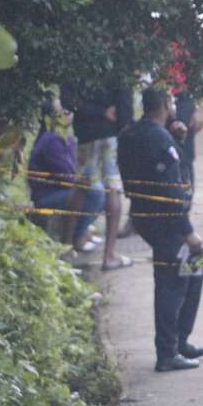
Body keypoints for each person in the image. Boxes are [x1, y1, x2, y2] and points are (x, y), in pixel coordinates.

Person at [118, 87, 203, 372]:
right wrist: (188, 231)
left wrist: (177, 138)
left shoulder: (131, 133)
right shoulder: (158, 137)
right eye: (171, 102)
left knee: (195, 270)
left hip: (144, 214)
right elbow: (171, 191)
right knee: (173, 283)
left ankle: (180, 342)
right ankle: (167, 353)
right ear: (165, 105)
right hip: (167, 221)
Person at [63, 82, 134, 271]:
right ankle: (109, 256)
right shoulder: (118, 58)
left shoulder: (76, 57)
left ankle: (67, 247)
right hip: (110, 134)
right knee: (113, 189)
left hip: (85, 133)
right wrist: (120, 124)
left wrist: (95, 112)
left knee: (80, 187)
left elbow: (67, 100)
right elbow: (125, 101)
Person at [28, 97, 106, 253]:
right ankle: (77, 237)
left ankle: (82, 233)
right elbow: (69, 176)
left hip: (63, 192)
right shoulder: (51, 141)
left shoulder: (67, 139)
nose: (68, 113)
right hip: (47, 197)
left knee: (105, 191)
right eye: (63, 111)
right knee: (96, 192)